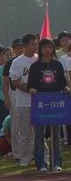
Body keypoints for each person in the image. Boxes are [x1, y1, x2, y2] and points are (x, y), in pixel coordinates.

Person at [27, 38, 67, 172]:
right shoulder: (35, 66)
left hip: (56, 103)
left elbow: (63, 83)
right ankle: (41, 163)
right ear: (41, 49)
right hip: (40, 103)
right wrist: (31, 89)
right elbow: (30, 85)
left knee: (56, 134)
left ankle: (56, 162)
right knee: (39, 134)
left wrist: (66, 89)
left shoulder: (57, 65)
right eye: (45, 47)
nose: (47, 50)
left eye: (50, 47)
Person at [8, 34, 39, 166]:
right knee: (25, 132)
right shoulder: (17, 62)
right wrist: (28, 89)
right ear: (25, 46)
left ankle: (43, 157)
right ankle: (25, 158)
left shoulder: (39, 60)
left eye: (36, 44)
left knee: (39, 133)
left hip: (40, 102)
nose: (35, 47)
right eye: (32, 44)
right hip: (23, 102)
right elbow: (14, 81)